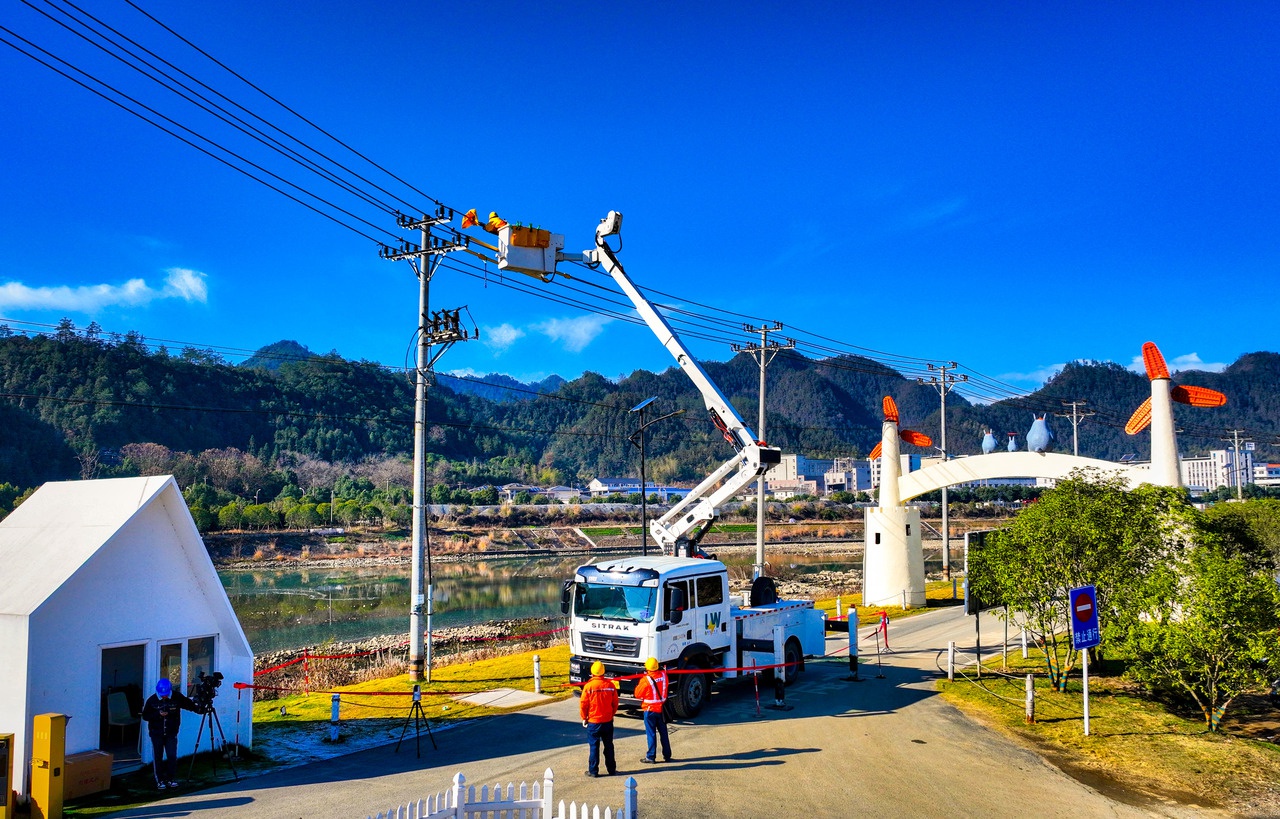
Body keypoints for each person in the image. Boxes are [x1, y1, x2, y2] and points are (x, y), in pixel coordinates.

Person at [141, 677, 200, 789]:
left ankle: (170, 779)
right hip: (156, 733)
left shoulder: (176, 697)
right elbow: (145, 716)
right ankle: (160, 780)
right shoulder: (152, 700)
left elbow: (188, 704)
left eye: (166, 694)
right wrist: (158, 714)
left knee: (172, 756)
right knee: (158, 757)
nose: (164, 696)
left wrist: (199, 709)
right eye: (162, 694)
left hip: (171, 733)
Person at [579, 661, 619, 777]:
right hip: (607, 721)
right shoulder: (610, 685)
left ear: (592, 672)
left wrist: (584, 717)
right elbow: (615, 703)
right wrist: (611, 714)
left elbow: (583, 704)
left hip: (594, 722)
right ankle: (611, 770)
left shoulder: (588, 687)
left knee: (594, 747)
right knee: (609, 746)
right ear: (603, 672)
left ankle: (593, 771)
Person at [635, 657, 672, 764]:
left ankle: (651, 756)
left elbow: (637, 694)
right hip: (661, 709)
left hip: (650, 710)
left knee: (651, 734)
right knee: (663, 733)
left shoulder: (646, 680)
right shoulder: (664, 676)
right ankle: (667, 755)